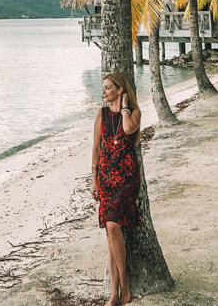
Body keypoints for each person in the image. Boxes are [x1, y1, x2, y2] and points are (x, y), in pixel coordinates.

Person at [91, 72, 142, 306]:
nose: (104, 91)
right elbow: (96, 148)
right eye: (103, 87)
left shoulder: (133, 113)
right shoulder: (100, 115)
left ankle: (125, 284)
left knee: (112, 226)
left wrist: (123, 108)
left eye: (108, 87)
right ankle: (114, 293)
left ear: (120, 90)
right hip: (106, 179)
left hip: (126, 179)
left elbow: (130, 130)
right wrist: (94, 179)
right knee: (110, 234)